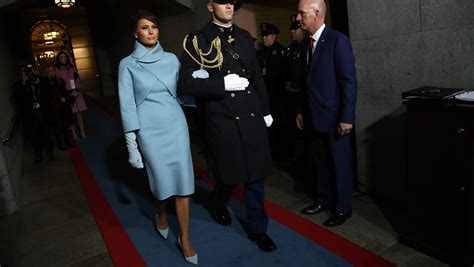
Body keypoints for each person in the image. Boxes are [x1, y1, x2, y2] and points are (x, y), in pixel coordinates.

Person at [178, 0, 277, 253]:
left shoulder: (244, 37)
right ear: (210, 6)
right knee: (229, 175)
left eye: (232, 1)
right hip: (221, 116)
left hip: (250, 113)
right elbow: (186, 84)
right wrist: (220, 85)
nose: (229, 6)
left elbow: (256, 78)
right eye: (223, 1)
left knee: (255, 176)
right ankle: (218, 203)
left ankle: (258, 229)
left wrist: (265, 110)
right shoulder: (198, 40)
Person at [117, 10, 197, 265]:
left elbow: (180, 96)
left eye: (154, 26)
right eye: (144, 27)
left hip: (175, 125)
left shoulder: (173, 60)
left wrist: (196, 84)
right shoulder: (127, 64)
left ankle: (184, 237)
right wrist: (132, 146)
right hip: (149, 131)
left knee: (183, 184)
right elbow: (127, 106)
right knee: (161, 183)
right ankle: (160, 212)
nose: (151, 31)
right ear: (135, 33)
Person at [296, 0, 358, 227]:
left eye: (302, 13)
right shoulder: (306, 44)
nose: (298, 18)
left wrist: (347, 117)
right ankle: (323, 199)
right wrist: (302, 111)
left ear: (317, 14)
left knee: (339, 164)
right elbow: (307, 83)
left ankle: (343, 209)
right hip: (313, 116)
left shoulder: (337, 41)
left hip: (335, 119)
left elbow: (349, 82)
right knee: (320, 163)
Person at [257, 22, 286, 161]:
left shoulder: (281, 52)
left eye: (267, 36)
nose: (265, 38)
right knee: (269, 129)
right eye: (263, 36)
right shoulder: (262, 54)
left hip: (278, 97)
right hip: (266, 97)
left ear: (274, 36)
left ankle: (280, 155)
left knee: (279, 127)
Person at [13, 65, 55, 162]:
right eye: (25, 72)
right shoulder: (19, 84)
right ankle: (38, 155)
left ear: (34, 70)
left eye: (30, 71)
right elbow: (17, 97)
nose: (28, 74)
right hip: (30, 113)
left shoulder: (42, 80)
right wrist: (24, 83)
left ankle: (50, 153)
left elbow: (50, 92)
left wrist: (38, 82)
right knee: (34, 135)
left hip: (43, 111)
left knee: (47, 133)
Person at [54, 51, 87, 140]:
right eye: (61, 57)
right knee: (70, 114)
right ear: (58, 59)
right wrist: (62, 95)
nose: (63, 59)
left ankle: (83, 132)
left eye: (65, 57)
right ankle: (74, 133)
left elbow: (78, 79)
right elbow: (58, 84)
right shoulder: (57, 69)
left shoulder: (72, 67)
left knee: (79, 113)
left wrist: (77, 88)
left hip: (76, 92)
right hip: (67, 93)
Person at [45, 65, 74, 150]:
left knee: (66, 125)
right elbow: (48, 96)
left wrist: (65, 97)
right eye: (50, 71)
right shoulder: (47, 83)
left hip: (64, 106)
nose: (52, 72)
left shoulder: (59, 80)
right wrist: (58, 99)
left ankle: (68, 141)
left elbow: (64, 90)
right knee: (58, 127)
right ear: (47, 73)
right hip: (55, 107)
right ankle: (60, 144)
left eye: (53, 70)